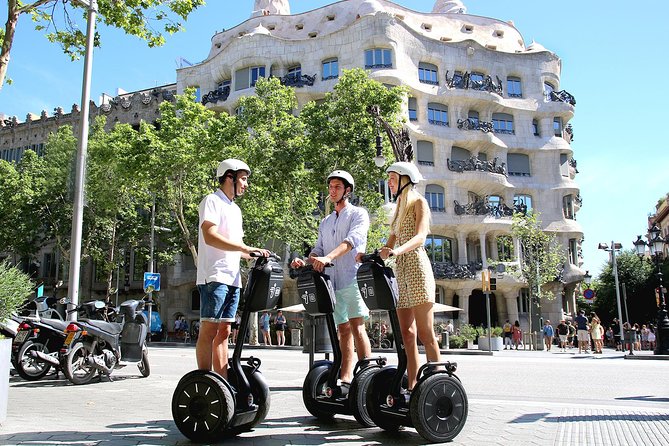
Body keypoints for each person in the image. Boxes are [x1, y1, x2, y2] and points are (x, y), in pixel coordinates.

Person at [291, 170, 371, 387]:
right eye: (330, 187)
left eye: (337, 187)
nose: (332, 191)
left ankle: (367, 375)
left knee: (357, 326)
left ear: (347, 190)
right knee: (342, 330)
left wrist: (328, 257)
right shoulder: (326, 221)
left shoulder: (358, 214)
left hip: (352, 278)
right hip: (331, 284)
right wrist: (306, 261)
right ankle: (345, 377)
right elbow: (318, 250)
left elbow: (352, 241)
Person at [196, 158, 270, 378]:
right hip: (214, 276)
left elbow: (237, 248)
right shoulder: (212, 201)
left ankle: (223, 384)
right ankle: (204, 382)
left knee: (225, 332)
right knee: (209, 330)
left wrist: (253, 253)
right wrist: (244, 247)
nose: (246, 184)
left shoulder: (236, 210)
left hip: (233, 278)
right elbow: (210, 236)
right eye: (244, 179)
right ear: (230, 177)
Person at [376, 161, 441, 392]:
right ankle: (413, 385)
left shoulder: (418, 202)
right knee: (406, 333)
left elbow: (420, 236)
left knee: (425, 332)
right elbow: (389, 243)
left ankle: (438, 380)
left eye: (393, 178)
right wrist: (375, 254)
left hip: (417, 268)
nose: (390, 183)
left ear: (406, 179)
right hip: (401, 270)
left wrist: (397, 251)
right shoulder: (398, 210)